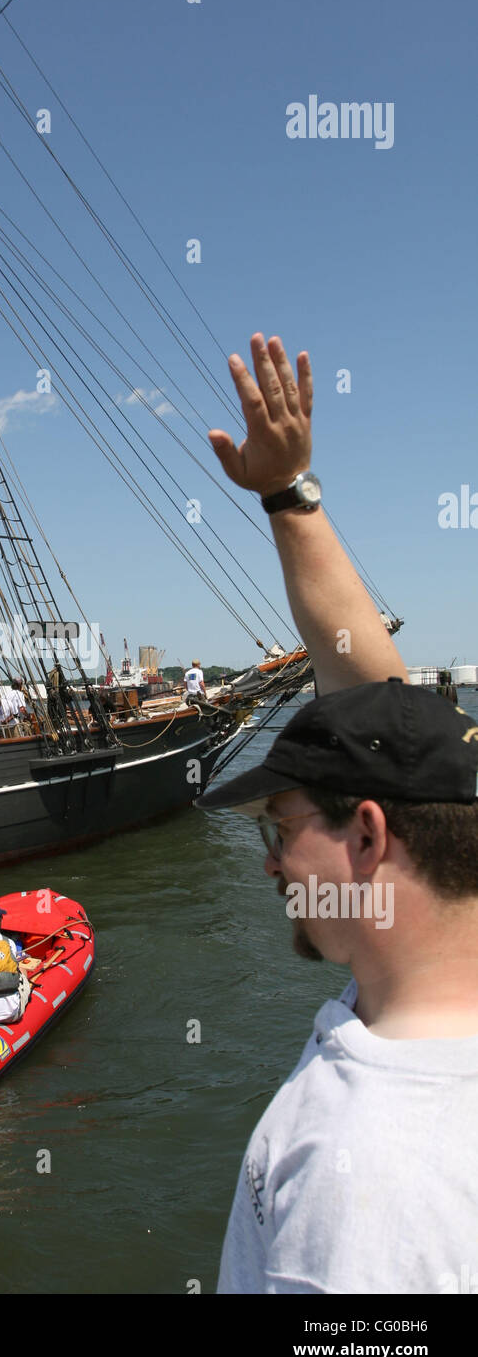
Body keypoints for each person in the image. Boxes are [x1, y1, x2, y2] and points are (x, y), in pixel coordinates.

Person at [196, 333, 478, 1294]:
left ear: (367, 833)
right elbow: (390, 717)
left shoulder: (367, 1181)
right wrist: (290, 497)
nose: (272, 867)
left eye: (280, 831)